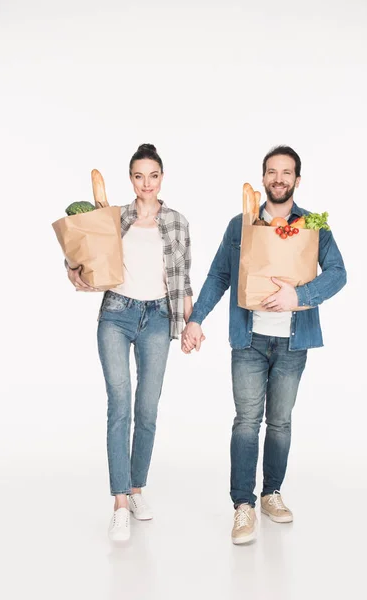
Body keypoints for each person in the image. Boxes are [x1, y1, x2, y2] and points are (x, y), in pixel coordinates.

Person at [182, 145, 347, 545]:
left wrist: (301, 296)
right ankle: (244, 505)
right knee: (246, 422)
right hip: (249, 338)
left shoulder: (313, 225)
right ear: (263, 178)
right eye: (272, 172)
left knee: (281, 422)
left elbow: (339, 274)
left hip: (294, 340)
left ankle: (271, 492)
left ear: (297, 180)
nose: (278, 179)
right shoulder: (241, 225)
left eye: (286, 172)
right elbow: (220, 274)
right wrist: (196, 318)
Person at [67, 144, 199, 542]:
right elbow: (83, 252)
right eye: (139, 176)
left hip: (158, 317)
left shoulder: (177, 222)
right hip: (116, 315)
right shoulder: (113, 217)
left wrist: (190, 324)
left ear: (162, 178)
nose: (146, 183)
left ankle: (137, 487)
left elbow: (183, 279)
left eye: (153, 175)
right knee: (119, 405)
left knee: (148, 409)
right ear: (131, 179)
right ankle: (120, 501)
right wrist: (73, 270)